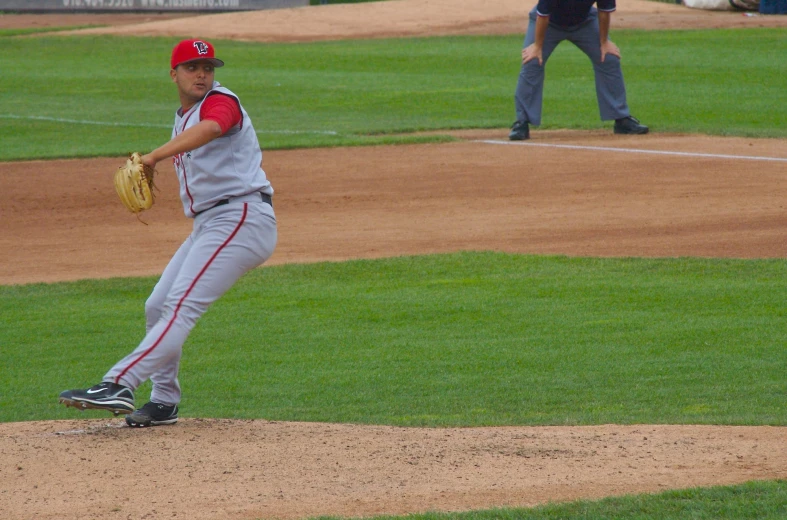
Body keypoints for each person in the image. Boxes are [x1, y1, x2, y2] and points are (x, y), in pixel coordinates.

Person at [59, 39, 278, 427]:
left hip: (241, 218)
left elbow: (214, 127)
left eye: (208, 68)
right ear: (173, 73)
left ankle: (118, 382)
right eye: (193, 67)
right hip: (212, 223)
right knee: (156, 306)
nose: (202, 74)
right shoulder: (182, 116)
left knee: (180, 307)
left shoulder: (220, 102)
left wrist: (154, 156)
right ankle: (163, 402)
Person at [509, 0, 649, 140]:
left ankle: (621, 119)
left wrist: (604, 42)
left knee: (608, 58)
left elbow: (604, 12)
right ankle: (522, 122)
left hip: (585, 22)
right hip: (548, 22)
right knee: (532, 61)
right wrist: (538, 46)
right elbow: (543, 15)